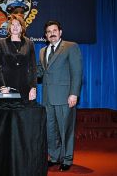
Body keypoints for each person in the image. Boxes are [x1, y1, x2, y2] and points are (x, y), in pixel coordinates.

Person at [37, 20, 83, 171]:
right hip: (47, 98)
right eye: (49, 31)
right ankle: (55, 157)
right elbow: (40, 72)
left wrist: (74, 94)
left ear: (60, 32)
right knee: (50, 130)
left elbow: (77, 73)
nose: (52, 33)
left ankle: (67, 159)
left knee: (66, 129)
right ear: (45, 35)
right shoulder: (43, 51)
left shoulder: (71, 47)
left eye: (54, 30)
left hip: (65, 96)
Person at [0, 14, 37, 102]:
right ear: (9, 27)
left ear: (22, 27)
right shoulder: (1, 43)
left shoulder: (29, 43)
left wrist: (33, 87)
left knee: (23, 114)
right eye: (13, 24)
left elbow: (33, 67)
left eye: (18, 25)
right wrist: (2, 86)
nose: (15, 27)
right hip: (7, 87)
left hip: (25, 87)